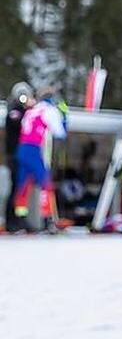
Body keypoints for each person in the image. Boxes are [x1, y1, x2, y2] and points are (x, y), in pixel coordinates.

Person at [13, 87, 66, 231]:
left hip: (22, 149)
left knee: (23, 185)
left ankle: (20, 220)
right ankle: (48, 220)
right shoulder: (49, 110)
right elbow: (60, 133)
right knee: (46, 183)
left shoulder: (32, 110)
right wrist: (64, 115)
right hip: (33, 150)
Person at [4, 81, 34, 226]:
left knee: (22, 188)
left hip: (24, 155)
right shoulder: (14, 110)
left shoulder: (26, 111)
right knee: (15, 186)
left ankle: (20, 218)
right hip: (15, 155)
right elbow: (17, 122)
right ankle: (11, 220)